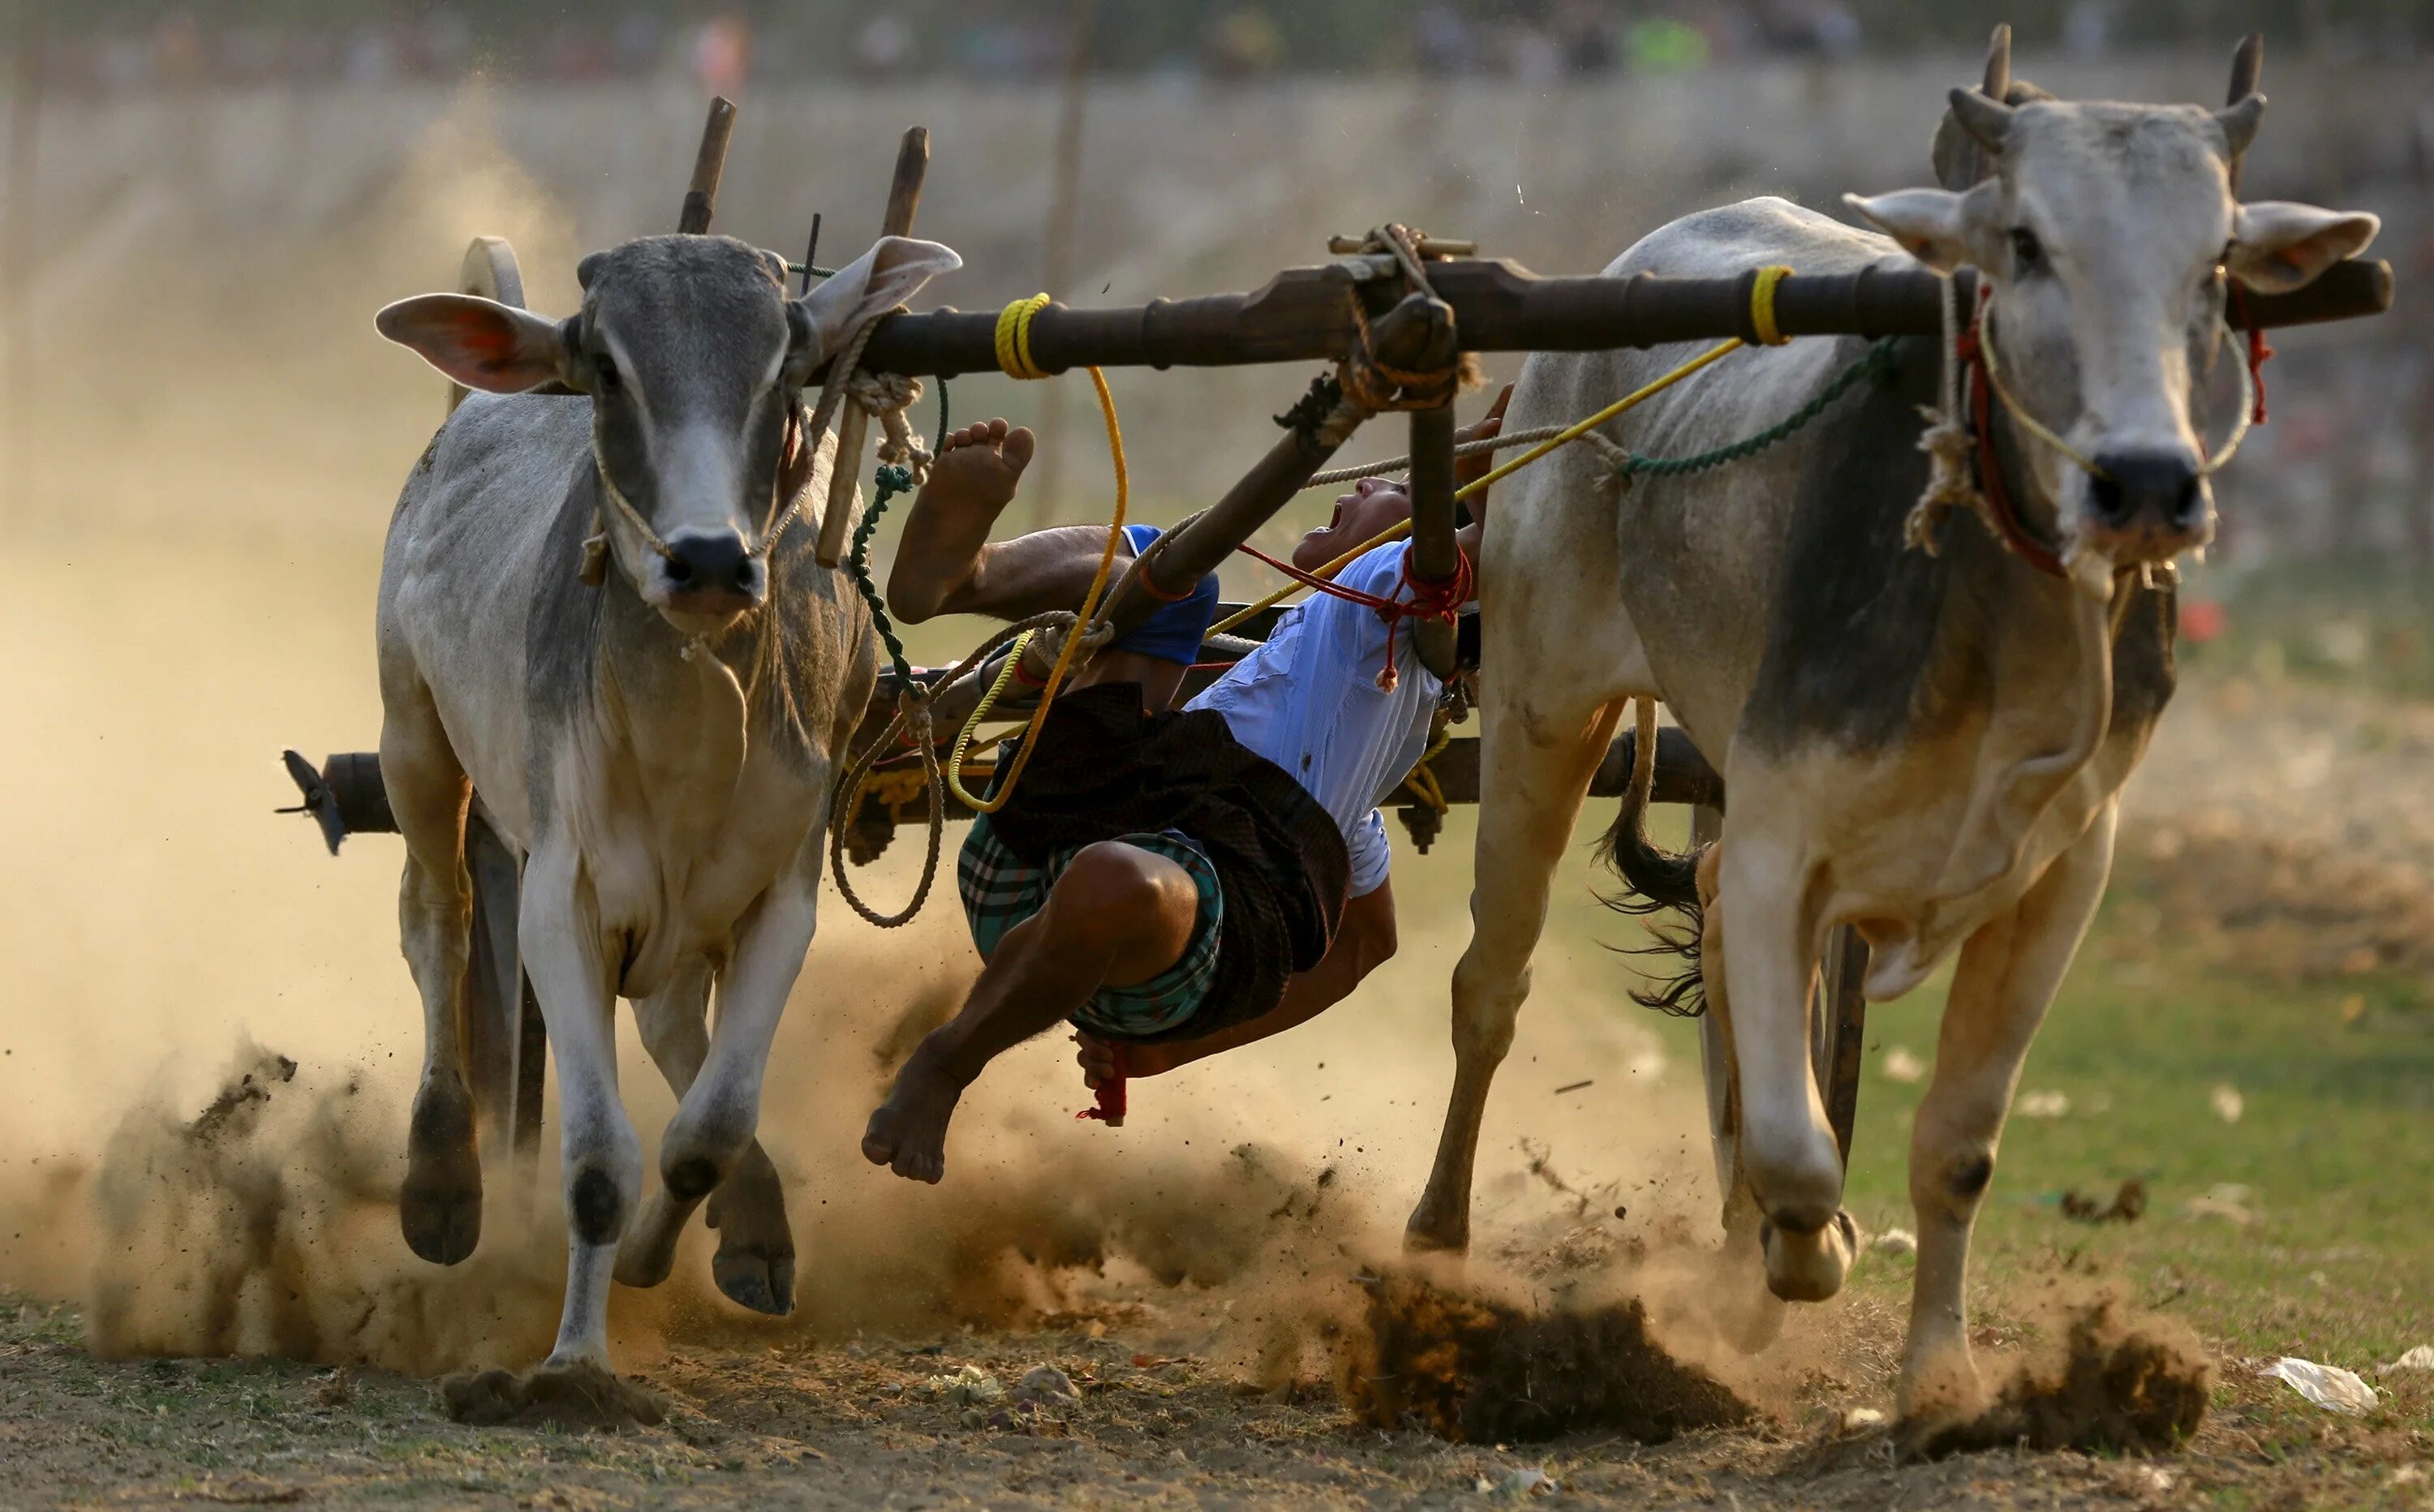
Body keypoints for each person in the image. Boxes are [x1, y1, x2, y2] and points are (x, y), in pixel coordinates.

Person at [862, 390, 1509, 1184]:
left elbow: (1479, 551)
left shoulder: (1393, 608)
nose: (1362, 487)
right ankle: (965, 576)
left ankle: (946, 1062)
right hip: (1033, 855)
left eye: (1399, 494)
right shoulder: (1312, 727)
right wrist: (1164, 1054)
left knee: (1116, 874)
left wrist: (1454, 456)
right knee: (1175, 575)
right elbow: (1367, 948)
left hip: (1142, 939)